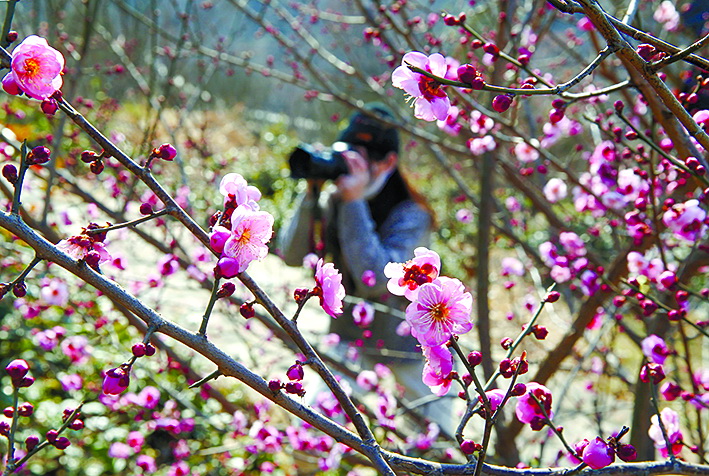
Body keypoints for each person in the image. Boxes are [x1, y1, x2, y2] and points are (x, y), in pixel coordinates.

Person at [278, 105, 457, 432]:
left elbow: (377, 279)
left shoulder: (411, 214)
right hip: (350, 335)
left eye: (358, 160)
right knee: (314, 425)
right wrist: (312, 193)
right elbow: (290, 255)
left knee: (436, 439)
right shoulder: (336, 198)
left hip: (409, 344)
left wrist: (354, 203)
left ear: (388, 162)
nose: (347, 169)